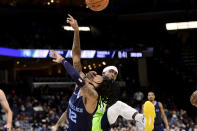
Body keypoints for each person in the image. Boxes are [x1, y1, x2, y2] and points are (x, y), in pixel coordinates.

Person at [53, 14, 144, 131]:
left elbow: (77, 77)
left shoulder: (94, 96)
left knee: (119, 105)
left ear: (100, 85)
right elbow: (76, 57)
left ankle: (141, 119)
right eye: (101, 74)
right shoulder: (84, 85)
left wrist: (63, 60)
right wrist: (76, 31)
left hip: (99, 125)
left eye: (99, 77)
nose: (95, 74)